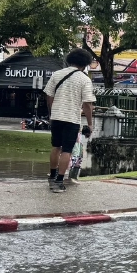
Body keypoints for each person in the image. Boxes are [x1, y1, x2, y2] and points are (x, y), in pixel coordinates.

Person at [43, 48, 96, 193]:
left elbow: (49, 96)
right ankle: (59, 181)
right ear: (85, 64)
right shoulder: (85, 80)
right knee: (67, 150)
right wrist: (90, 124)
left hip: (56, 117)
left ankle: (52, 176)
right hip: (72, 119)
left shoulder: (57, 74)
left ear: (69, 60)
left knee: (56, 147)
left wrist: (52, 112)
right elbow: (87, 105)